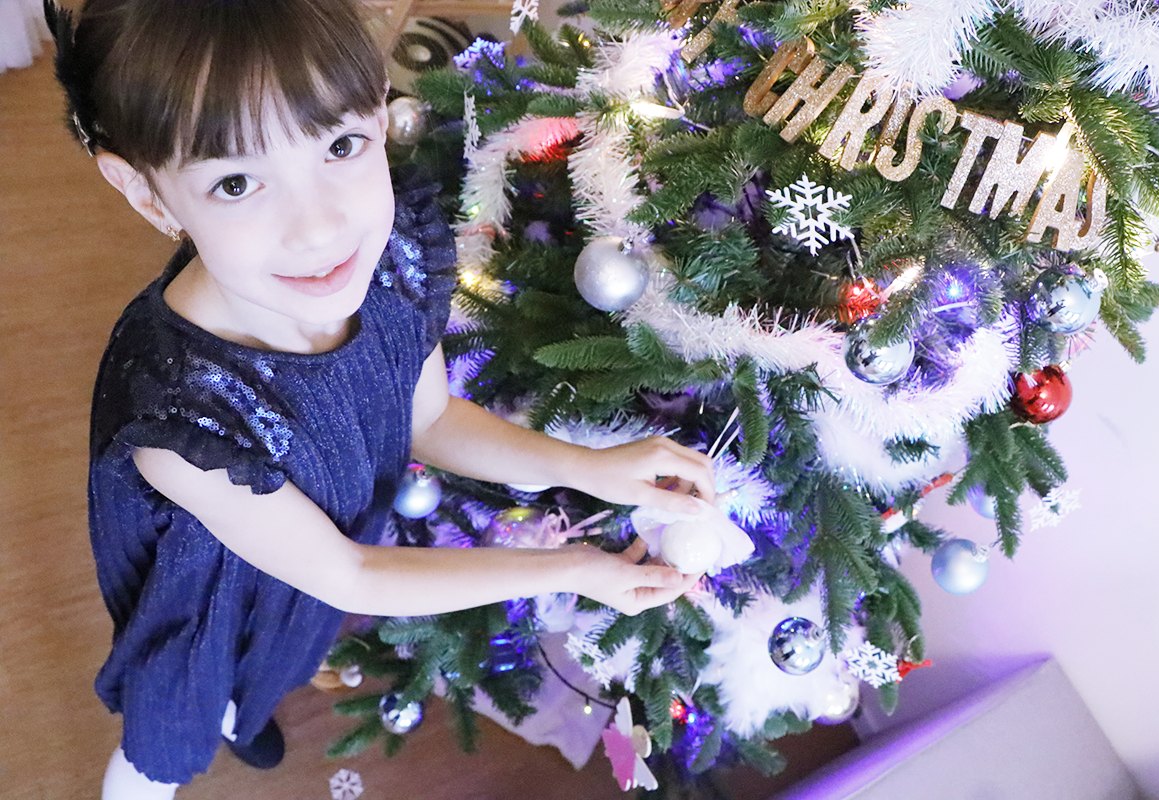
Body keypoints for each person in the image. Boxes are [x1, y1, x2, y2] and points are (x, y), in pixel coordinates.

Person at [45, 0, 716, 796]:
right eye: (236, 181)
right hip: (210, 592)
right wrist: (569, 567)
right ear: (147, 194)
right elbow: (352, 576)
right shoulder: (181, 417)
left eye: (340, 145)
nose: (320, 228)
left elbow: (429, 417)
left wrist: (590, 466)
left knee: (278, 655)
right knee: (172, 725)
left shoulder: (389, 259)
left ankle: (244, 712)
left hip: (315, 561)